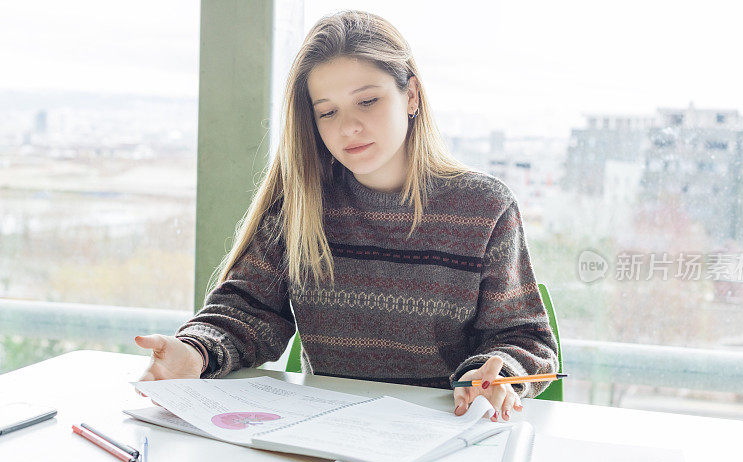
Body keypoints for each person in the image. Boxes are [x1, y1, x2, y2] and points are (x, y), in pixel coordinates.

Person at [134, 9, 558, 423]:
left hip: (447, 433)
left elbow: (525, 337)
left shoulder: (484, 208)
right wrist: (194, 350)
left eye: (367, 101)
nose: (348, 127)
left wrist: (497, 373)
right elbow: (246, 313)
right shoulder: (302, 203)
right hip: (329, 435)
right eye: (328, 111)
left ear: (411, 95)